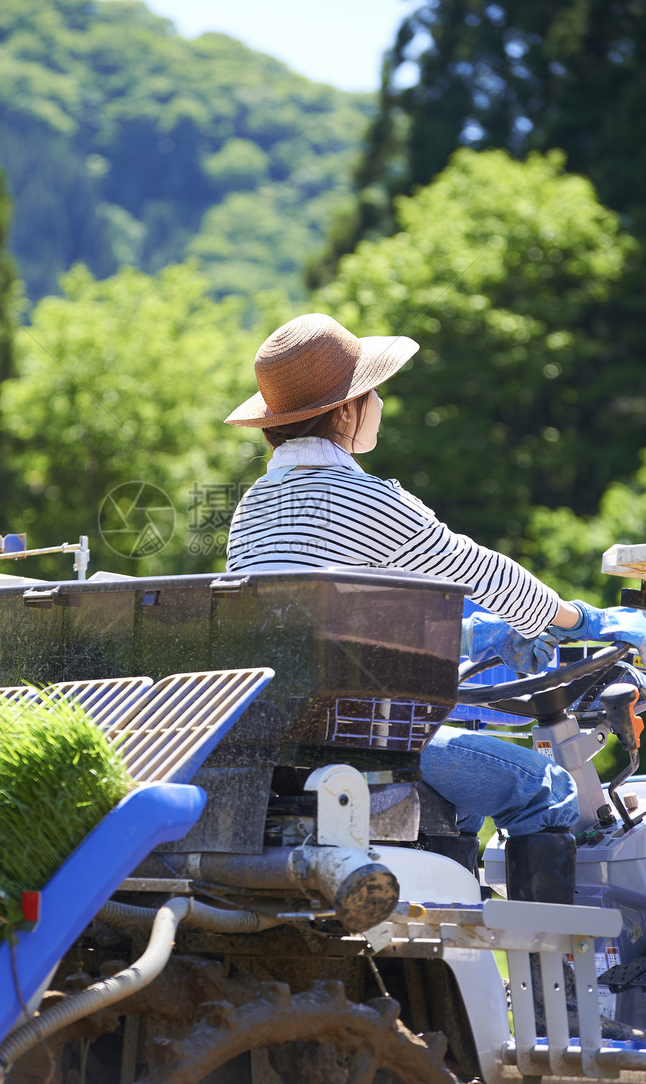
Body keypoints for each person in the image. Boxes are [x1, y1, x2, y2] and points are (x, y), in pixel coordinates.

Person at [224, 313, 646, 896]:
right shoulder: (365, 498)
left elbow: (334, 624)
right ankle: (558, 979)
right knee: (549, 791)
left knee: (465, 803)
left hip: (278, 738)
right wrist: (587, 619)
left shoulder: (252, 507)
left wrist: (472, 638)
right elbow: (482, 573)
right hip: (369, 740)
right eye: (370, 393)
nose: (379, 405)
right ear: (346, 410)